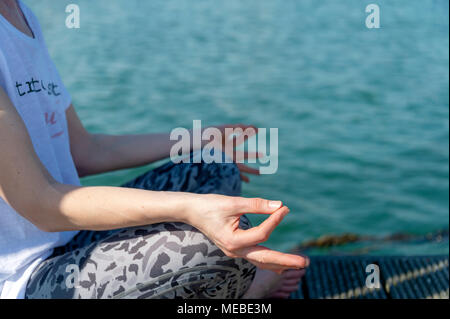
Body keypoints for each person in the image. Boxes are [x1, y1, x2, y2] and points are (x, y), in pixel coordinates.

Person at [0, 0, 308, 299]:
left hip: (69, 239)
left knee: (215, 167)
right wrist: (188, 208)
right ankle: (250, 293)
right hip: (22, 278)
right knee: (210, 250)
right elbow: (39, 202)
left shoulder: (23, 15)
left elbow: (84, 150)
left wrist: (198, 139)